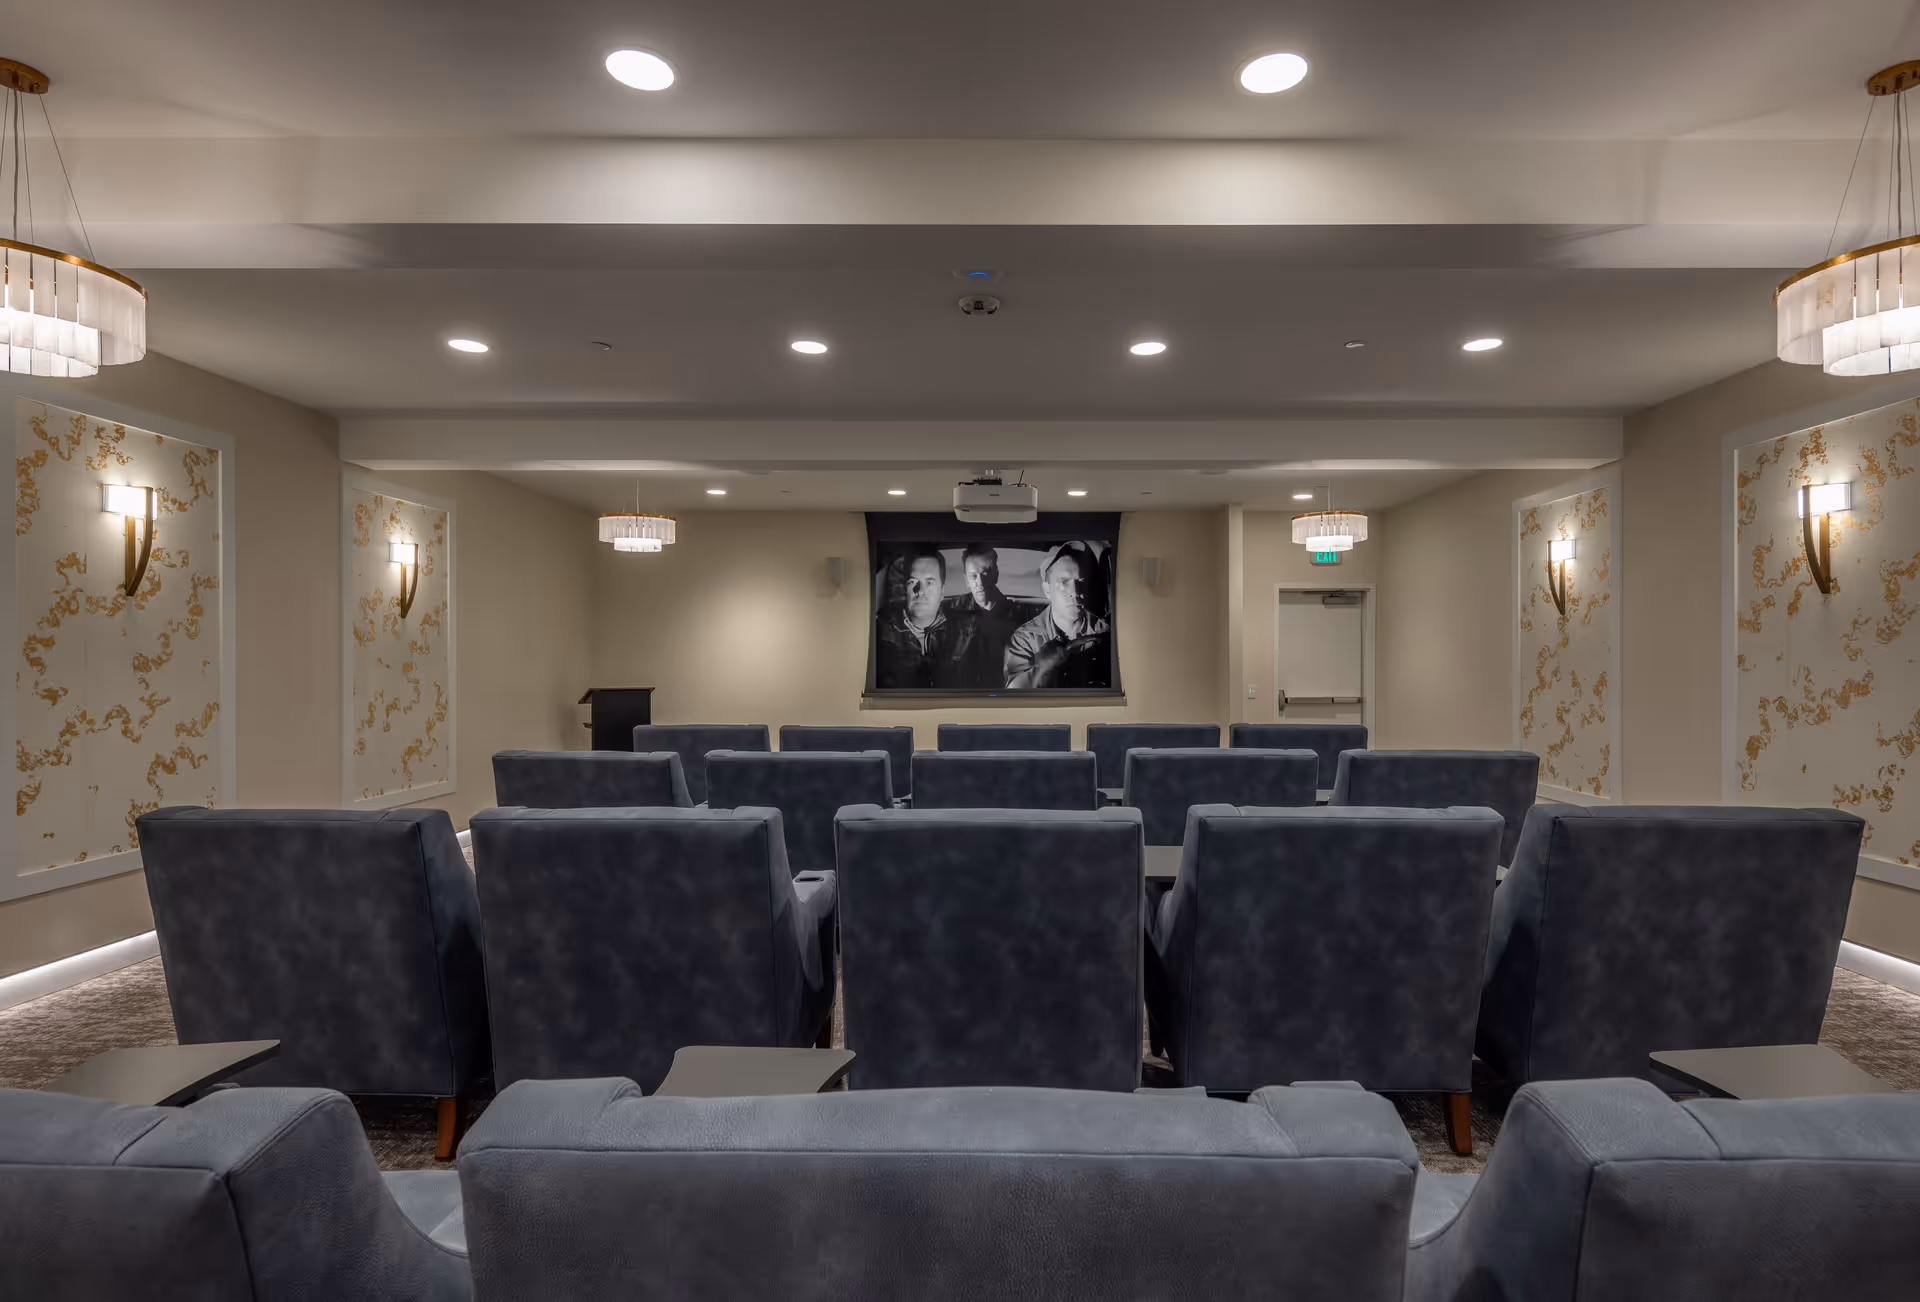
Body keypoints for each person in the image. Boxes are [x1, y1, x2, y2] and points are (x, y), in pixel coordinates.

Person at [1004, 542, 1112, 689]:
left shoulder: (1105, 632)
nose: (1075, 591)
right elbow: (1013, 697)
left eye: (1080, 581)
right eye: (1064, 582)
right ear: (1047, 590)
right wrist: (1042, 669)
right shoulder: (1026, 639)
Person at [942, 544, 1040, 689]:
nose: (980, 583)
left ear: (996, 574)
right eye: (973, 576)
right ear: (966, 581)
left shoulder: (1020, 616)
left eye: (986, 572)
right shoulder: (949, 612)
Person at [874, 547, 952, 688]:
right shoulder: (879, 633)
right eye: (912, 582)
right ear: (905, 588)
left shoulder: (962, 633)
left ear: (942, 592)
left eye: (929, 582)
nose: (920, 591)